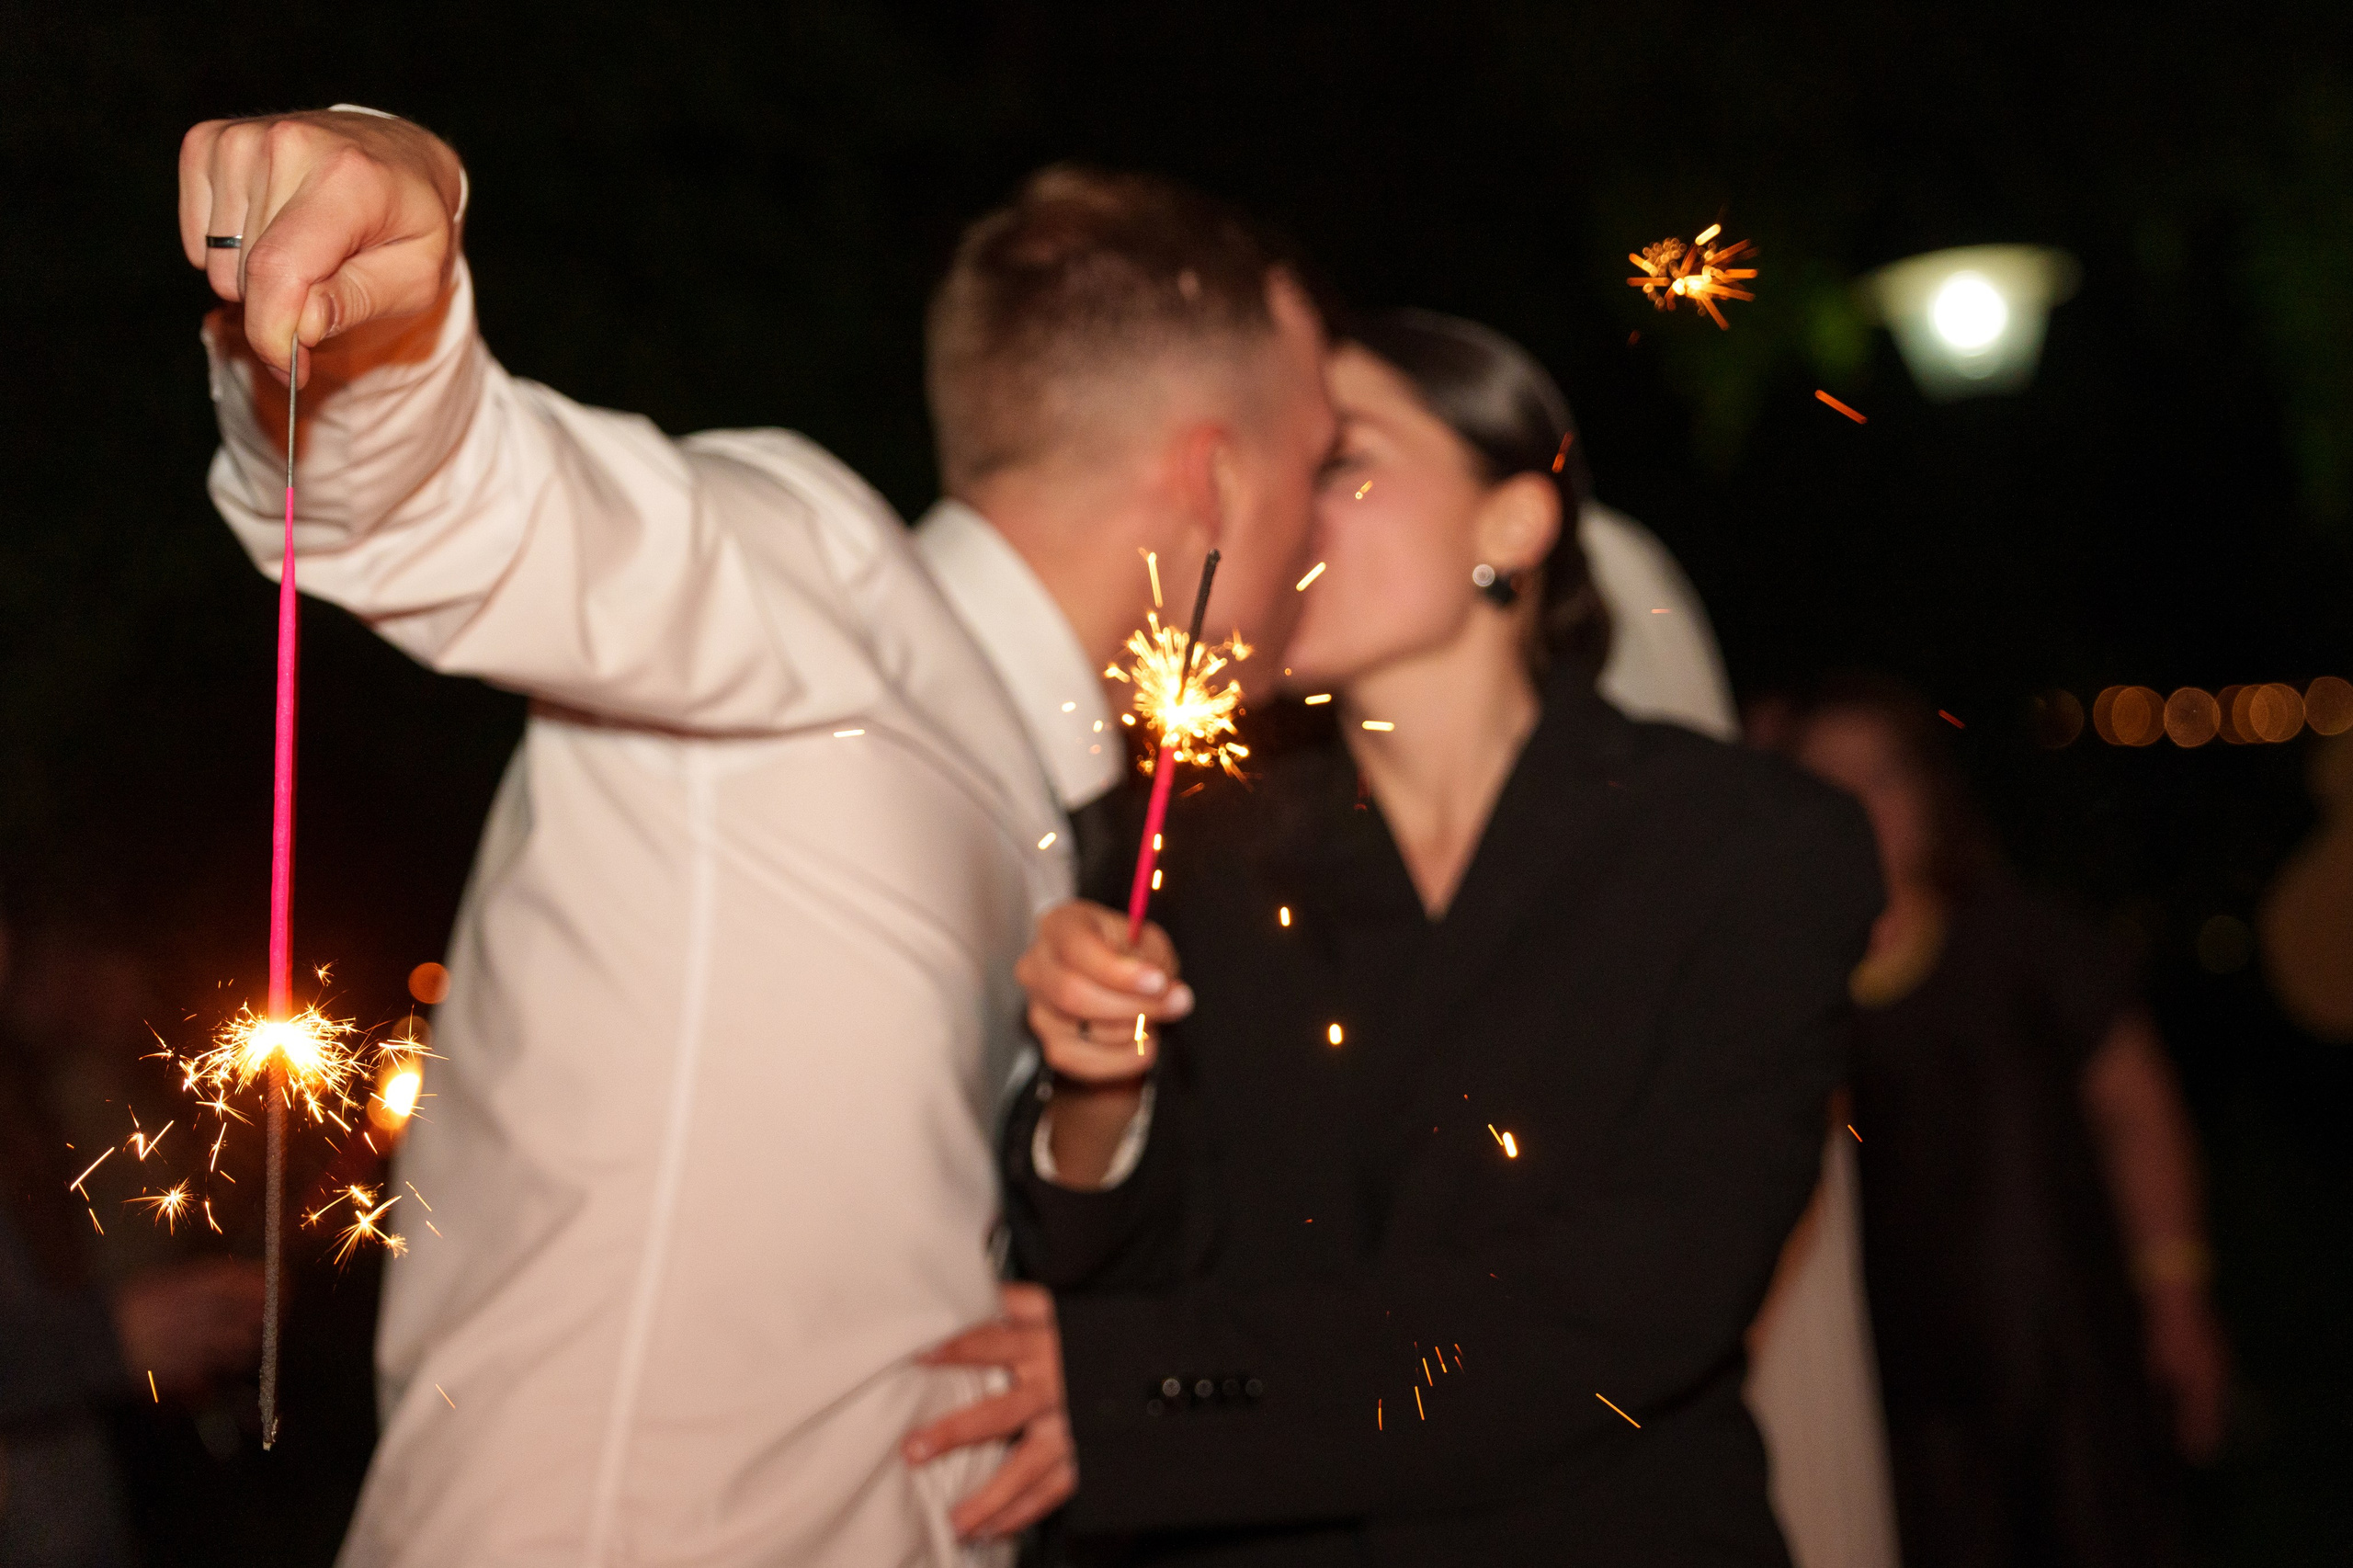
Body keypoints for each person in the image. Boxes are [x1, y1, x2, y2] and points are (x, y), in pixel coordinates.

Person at [180, 107, 1331, 1565]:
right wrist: (372, 341)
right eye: (1322, 462)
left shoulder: (1038, 815)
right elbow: (458, 501)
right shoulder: (826, 586)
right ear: (1217, 475)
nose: (1327, 527)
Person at [908, 309, 1882, 1563]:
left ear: (1511, 523)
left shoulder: (1750, 846)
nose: (1283, 510)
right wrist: (1101, 1092)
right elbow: (1105, 1272)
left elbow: (1631, 1308)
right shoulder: (1181, 848)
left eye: (1342, 462)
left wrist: (1161, 1389)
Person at [1768, 676, 2228, 1568]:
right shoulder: (1774, 992)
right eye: (1827, 780)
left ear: (1929, 796)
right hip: (1886, 1402)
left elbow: (2138, 1107)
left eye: (1882, 776)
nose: (1858, 804)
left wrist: (2175, 1291)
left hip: (2061, 1369)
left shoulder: (2024, 944)